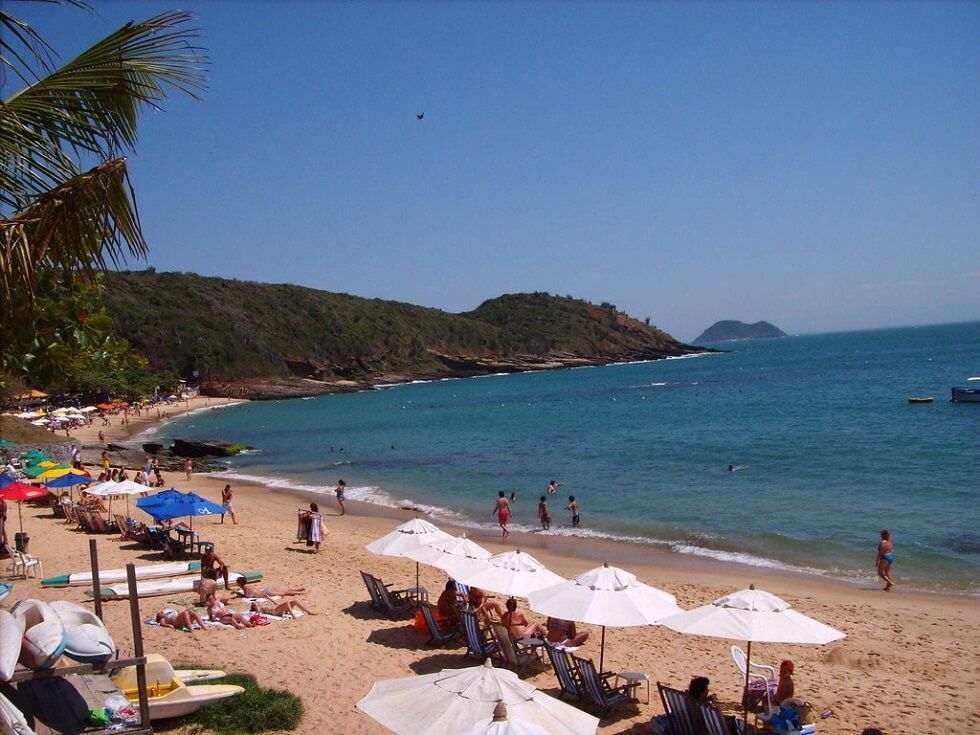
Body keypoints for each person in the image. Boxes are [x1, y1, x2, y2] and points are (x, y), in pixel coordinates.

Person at [235, 576, 306, 598]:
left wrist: (239, 594)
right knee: (284, 591)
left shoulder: (245, 587)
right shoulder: (247, 585)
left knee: (284, 593)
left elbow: (247, 596)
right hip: (265, 590)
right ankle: (300, 588)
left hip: (265, 593)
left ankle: (303, 593)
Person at [249, 597, 316, 617]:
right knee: (287, 602)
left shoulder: (263, 606)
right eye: (254, 605)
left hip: (278, 609)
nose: (257, 603)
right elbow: (258, 612)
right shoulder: (259, 609)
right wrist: (255, 604)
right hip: (275, 611)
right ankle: (293, 616)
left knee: (295, 600)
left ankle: (309, 612)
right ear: (254, 607)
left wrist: (270, 599)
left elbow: (277, 605)